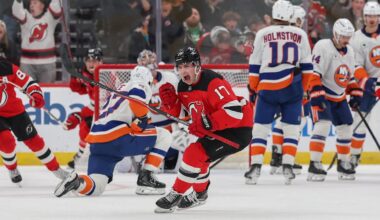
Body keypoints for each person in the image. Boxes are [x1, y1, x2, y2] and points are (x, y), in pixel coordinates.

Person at [155, 46, 253, 213]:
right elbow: (185, 116)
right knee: (199, 158)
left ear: (197, 66)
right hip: (217, 127)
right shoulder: (183, 87)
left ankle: (176, 193)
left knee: (194, 153)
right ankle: (200, 195)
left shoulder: (212, 82)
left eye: (187, 66)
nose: (183, 70)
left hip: (237, 130)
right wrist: (171, 104)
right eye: (180, 67)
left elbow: (233, 112)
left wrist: (205, 123)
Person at [54, 66, 172, 197]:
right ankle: (146, 179)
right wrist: (143, 118)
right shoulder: (140, 85)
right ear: (149, 81)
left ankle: (76, 182)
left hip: (97, 143)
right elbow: (136, 98)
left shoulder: (119, 89)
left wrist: (142, 121)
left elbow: (136, 121)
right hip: (116, 137)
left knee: (97, 186)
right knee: (164, 135)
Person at [244, 0, 313, 185]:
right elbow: (307, 66)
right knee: (291, 128)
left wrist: (252, 87)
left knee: (260, 127)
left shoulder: (262, 33)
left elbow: (255, 64)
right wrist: (304, 89)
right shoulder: (300, 33)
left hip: (267, 86)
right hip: (293, 87)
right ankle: (288, 165)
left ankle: (256, 166)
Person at [307, 18, 362, 181]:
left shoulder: (350, 51)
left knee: (346, 128)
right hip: (323, 94)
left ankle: (343, 163)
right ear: (336, 34)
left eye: (348, 36)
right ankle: (314, 164)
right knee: (322, 127)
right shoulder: (323, 46)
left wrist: (355, 92)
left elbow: (349, 77)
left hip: (339, 97)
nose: (347, 40)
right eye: (344, 36)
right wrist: (317, 95)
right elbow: (314, 74)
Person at [0, 57, 68, 185]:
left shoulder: (7, 67)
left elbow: (29, 83)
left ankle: (56, 168)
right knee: (6, 140)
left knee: (34, 141)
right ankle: (12, 168)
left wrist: (36, 94)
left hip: (14, 111)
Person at [269, 5, 307, 175]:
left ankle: (277, 156)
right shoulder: (297, 36)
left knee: (282, 120)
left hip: (275, 81)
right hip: (292, 83)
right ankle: (283, 158)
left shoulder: (278, 34)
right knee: (293, 121)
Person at [349, 1, 380, 167]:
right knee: (360, 121)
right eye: (368, 16)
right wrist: (368, 82)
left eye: (375, 16)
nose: (372, 19)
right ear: (364, 17)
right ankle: (354, 155)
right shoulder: (357, 37)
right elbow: (356, 65)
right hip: (368, 85)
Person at [64, 48, 103, 169]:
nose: (91, 63)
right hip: (94, 109)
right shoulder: (85, 74)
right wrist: (74, 76)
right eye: (88, 60)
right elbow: (78, 89)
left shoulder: (107, 73)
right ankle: (81, 156)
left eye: (95, 60)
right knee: (82, 123)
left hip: (110, 110)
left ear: (101, 62)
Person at [12, 0, 62, 83]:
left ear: (42, 5)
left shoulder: (50, 16)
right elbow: (16, 11)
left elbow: (56, 7)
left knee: (47, 92)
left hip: (48, 63)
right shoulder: (26, 16)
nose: (31, 5)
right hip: (27, 63)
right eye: (31, 3)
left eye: (35, 3)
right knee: (27, 91)